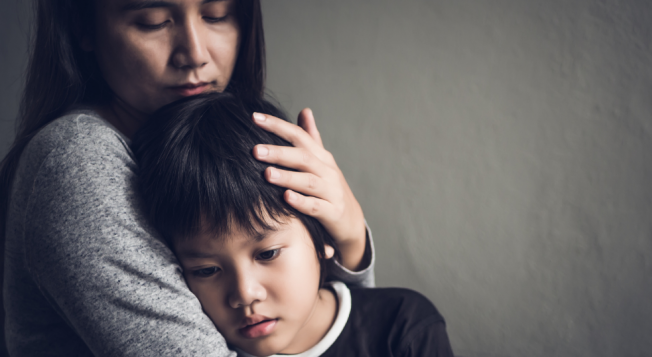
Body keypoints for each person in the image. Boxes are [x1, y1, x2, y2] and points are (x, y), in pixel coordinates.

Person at [0, 0, 375, 355]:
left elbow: (355, 337)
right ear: (84, 26)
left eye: (216, 15)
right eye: (153, 23)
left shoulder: (222, 145)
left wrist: (349, 237)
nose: (194, 53)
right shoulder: (78, 161)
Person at [131, 92, 454, 357]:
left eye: (268, 254)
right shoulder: (197, 346)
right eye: (206, 270)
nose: (244, 294)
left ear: (322, 234)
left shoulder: (403, 325)